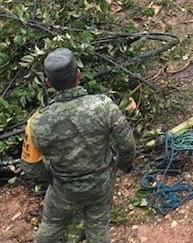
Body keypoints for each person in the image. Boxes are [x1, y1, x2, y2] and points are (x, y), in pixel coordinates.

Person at [21, 48, 135, 243]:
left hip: (63, 189)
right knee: (98, 227)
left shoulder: (36, 123)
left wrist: (52, 177)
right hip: (101, 183)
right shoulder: (104, 106)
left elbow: (30, 166)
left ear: (48, 83)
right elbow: (127, 145)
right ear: (78, 74)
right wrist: (121, 165)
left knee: (50, 227)